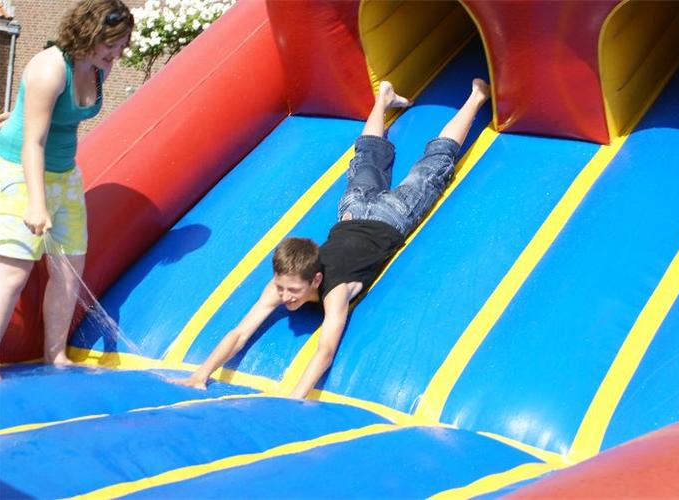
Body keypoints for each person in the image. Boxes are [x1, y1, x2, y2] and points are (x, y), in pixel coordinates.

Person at [173, 78, 491, 398]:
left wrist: (294, 398)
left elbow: (325, 351)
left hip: (390, 217)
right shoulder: (284, 282)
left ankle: (476, 97)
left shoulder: (335, 292)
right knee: (366, 155)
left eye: (293, 291)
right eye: (282, 288)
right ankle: (383, 98)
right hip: (353, 210)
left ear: (316, 279)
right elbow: (239, 333)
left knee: (432, 166)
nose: (285, 297)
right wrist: (201, 374)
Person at [0, 0, 134, 376]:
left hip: (65, 172)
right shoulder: (49, 68)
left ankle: (55, 355)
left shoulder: (98, 67)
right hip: (20, 168)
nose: (117, 54)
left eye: (122, 45)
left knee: (69, 270)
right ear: (89, 33)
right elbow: (33, 142)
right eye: (111, 44)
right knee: (13, 272)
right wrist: (36, 203)